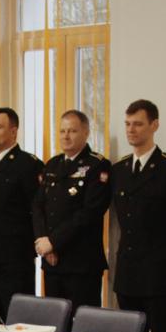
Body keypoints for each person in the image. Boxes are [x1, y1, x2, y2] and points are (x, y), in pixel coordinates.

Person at [110, 99, 166, 332]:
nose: (131, 130)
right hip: (128, 272)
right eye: (128, 124)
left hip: (160, 274)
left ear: (154, 125)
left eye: (138, 124)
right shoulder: (119, 169)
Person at [32, 109, 112, 306]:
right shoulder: (52, 164)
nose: (66, 136)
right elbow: (38, 206)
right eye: (62, 131)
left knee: (82, 322)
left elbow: (89, 213)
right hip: (52, 260)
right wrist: (44, 242)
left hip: (81, 263)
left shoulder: (97, 165)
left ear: (86, 133)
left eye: (72, 131)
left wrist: (53, 242)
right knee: (54, 320)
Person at [0, 107, 44, 321]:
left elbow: (36, 208)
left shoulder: (28, 164)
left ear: (13, 132)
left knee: (17, 317)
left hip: (15, 254)